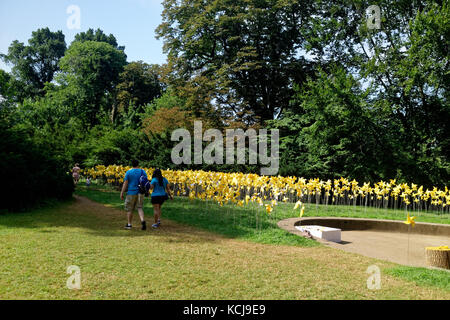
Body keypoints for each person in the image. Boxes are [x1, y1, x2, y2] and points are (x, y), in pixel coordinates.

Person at [120, 160, 147, 230]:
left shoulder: (129, 172)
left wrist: (122, 192)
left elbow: (125, 183)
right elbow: (146, 181)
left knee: (130, 209)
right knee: (140, 207)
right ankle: (143, 221)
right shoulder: (142, 171)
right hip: (141, 192)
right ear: (138, 164)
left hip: (131, 192)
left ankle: (129, 224)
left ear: (132, 165)